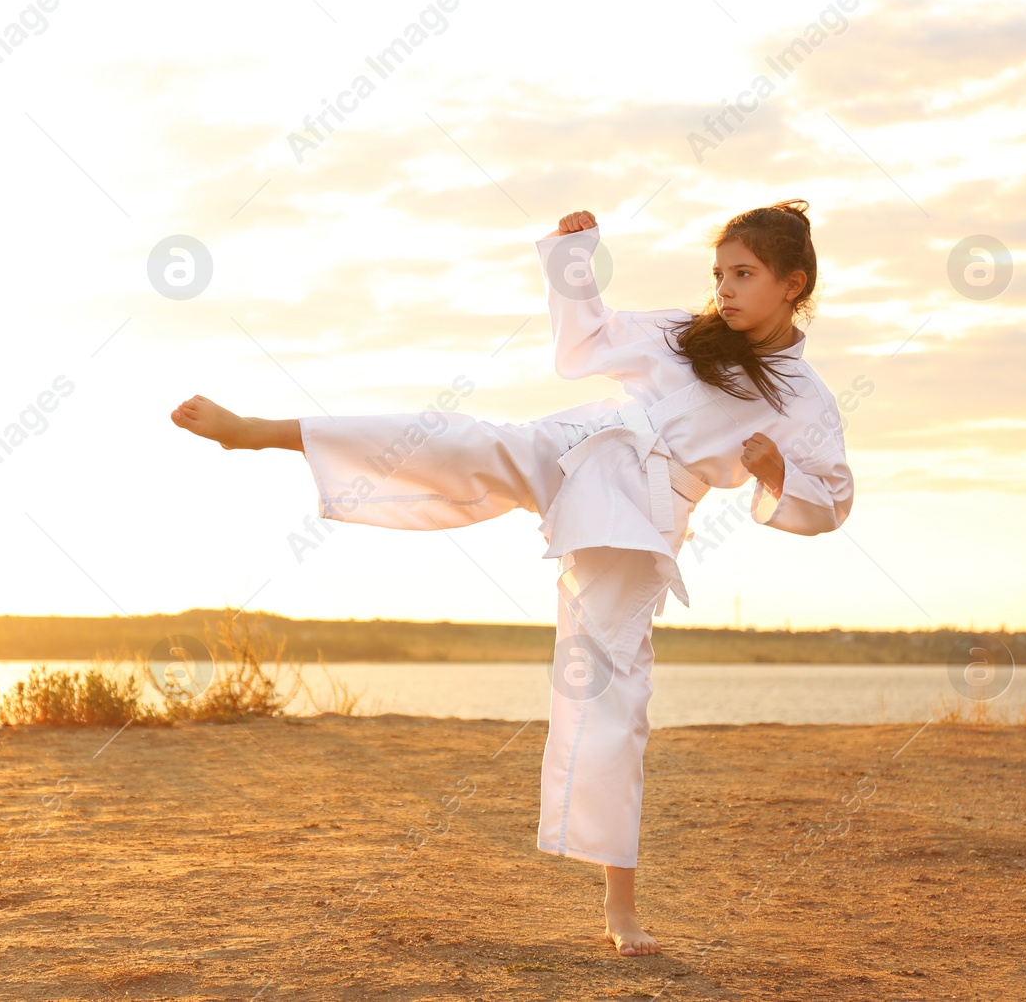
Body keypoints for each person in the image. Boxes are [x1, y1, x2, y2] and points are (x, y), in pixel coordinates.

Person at [170, 200, 854, 957]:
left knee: (612, 697)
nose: (724, 288)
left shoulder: (807, 399)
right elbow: (590, 338)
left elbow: (832, 500)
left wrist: (777, 474)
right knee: (460, 439)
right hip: (583, 443)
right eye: (720, 272)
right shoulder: (681, 334)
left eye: (744, 274)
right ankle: (262, 433)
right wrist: (574, 261)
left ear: (792, 284)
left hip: (637, 519)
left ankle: (620, 910)